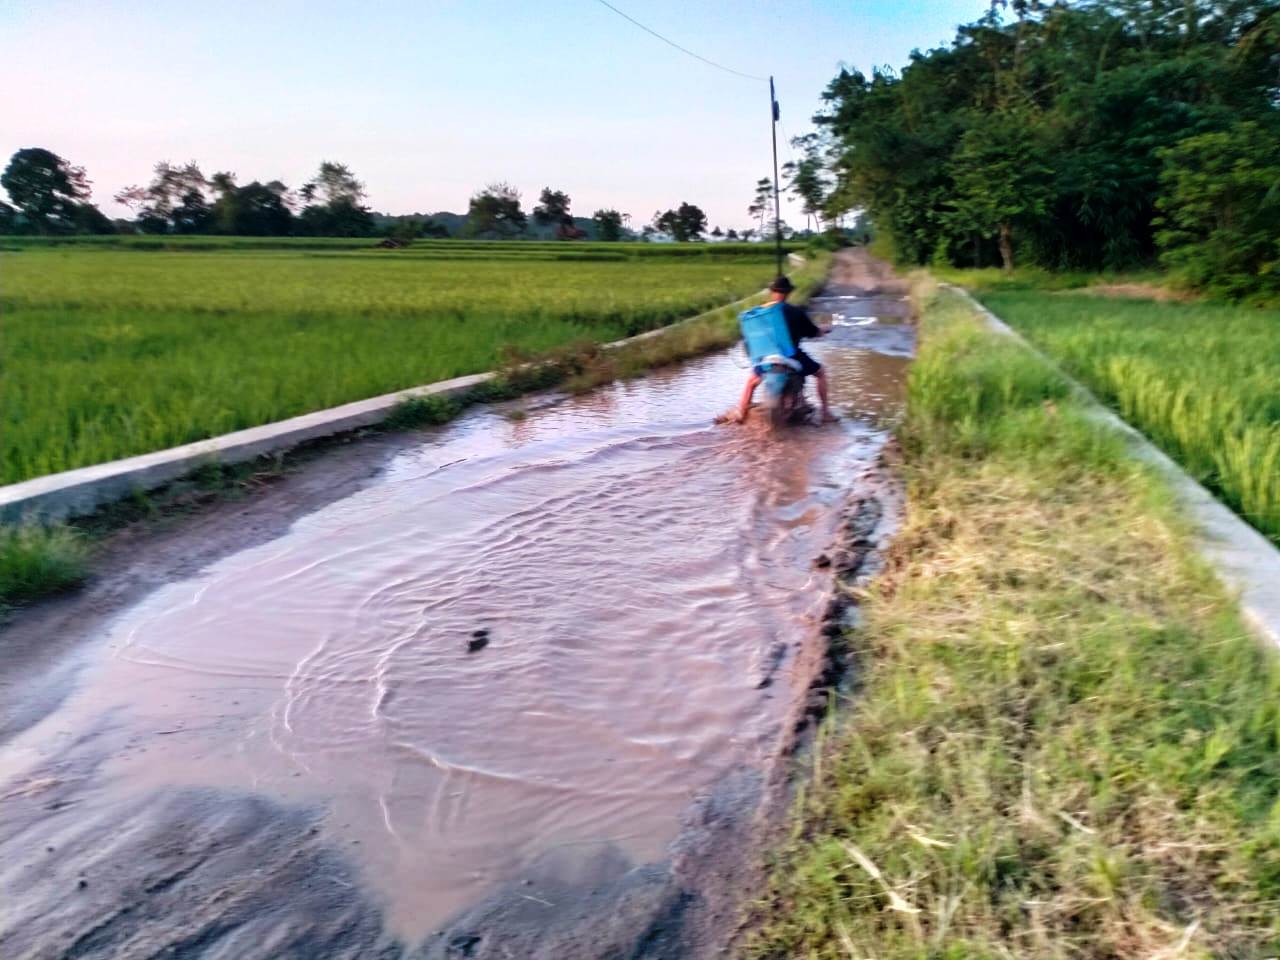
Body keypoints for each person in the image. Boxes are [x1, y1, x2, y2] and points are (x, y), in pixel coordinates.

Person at [735, 275, 835, 422]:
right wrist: (824, 329)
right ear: (788, 293)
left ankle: (741, 414)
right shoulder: (795, 312)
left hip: (766, 359)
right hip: (791, 357)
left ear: (772, 292)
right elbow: (813, 332)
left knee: (751, 383)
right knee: (820, 373)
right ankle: (826, 413)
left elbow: (751, 337)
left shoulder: (759, 313)